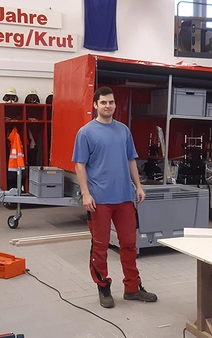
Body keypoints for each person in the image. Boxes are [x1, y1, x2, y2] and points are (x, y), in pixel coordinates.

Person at [72, 86, 157, 308]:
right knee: (100, 246)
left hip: (124, 198)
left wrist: (138, 186)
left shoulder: (123, 131)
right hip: (98, 199)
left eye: (111, 102)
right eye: (103, 103)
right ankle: (104, 288)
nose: (108, 106)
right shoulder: (86, 132)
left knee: (129, 244)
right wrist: (85, 193)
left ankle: (132, 288)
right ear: (95, 105)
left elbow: (131, 160)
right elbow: (79, 165)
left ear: (115, 105)